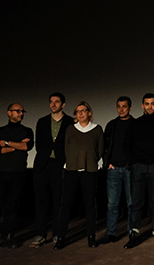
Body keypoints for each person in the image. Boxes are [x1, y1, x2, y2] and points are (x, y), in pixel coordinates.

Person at [54, 101, 104, 249]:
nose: (80, 113)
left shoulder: (97, 129)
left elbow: (100, 149)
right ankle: (61, 238)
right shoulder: (70, 129)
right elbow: (67, 148)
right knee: (66, 205)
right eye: (77, 111)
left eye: (83, 110)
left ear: (89, 112)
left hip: (89, 172)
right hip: (71, 171)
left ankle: (91, 237)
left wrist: (91, 162)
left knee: (90, 205)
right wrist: (72, 163)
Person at [123, 93, 154, 249]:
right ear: (142, 105)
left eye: (153, 103)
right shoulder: (135, 124)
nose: (150, 106)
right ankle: (133, 235)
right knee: (136, 204)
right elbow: (125, 145)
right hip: (138, 167)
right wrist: (134, 162)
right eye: (147, 104)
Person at [31, 92, 74, 247]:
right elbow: (39, 144)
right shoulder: (42, 121)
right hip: (43, 165)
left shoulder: (70, 121)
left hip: (60, 165)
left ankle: (57, 233)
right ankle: (40, 234)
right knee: (41, 201)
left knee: (59, 201)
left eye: (57, 102)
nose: (53, 104)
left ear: (63, 104)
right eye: (51, 101)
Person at [0, 103, 34, 248]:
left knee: (12, 206)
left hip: (18, 173)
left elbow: (27, 147)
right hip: (1, 172)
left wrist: (7, 144)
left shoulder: (27, 131)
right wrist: (18, 145)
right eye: (18, 111)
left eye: (22, 111)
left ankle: (8, 236)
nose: (21, 113)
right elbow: (0, 151)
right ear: (9, 112)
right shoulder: (1, 131)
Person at [102, 96, 134, 243]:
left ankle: (131, 233)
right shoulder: (111, 125)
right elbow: (104, 145)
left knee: (131, 204)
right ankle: (111, 233)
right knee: (112, 204)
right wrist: (107, 162)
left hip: (130, 169)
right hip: (113, 169)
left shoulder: (135, 124)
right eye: (119, 106)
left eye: (124, 106)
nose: (121, 109)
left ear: (130, 108)